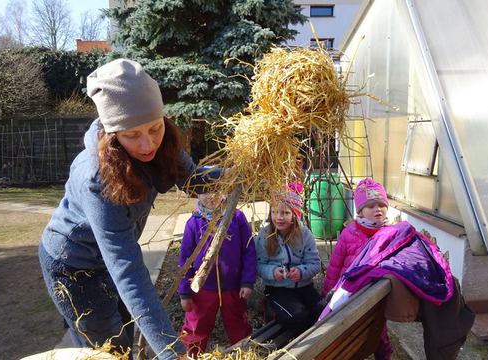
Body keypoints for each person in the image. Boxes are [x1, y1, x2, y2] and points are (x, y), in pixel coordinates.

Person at [38, 59, 217, 360]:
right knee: (109, 349)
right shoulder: (97, 178)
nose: (148, 144)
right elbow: (129, 273)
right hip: (74, 267)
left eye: (155, 128)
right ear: (113, 134)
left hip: (110, 259)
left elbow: (194, 180)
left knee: (127, 331)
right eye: (132, 135)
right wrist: (173, 353)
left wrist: (244, 170)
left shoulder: (164, 143)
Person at [321, 177, 393, 360]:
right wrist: (328, 292)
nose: (378, 209)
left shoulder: (391, 234)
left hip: (377, 296)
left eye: (381, 205)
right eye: (371, 206)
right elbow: (335, 266)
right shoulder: (349, 233)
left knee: (379, 333)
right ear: (360, 211)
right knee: (350, 333)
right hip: (351, 295)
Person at [178, 192, 256, 358]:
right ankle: (192, 354)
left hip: (233, 287)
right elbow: (185, 260)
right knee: (196, 326)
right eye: (204, 191)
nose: (210, 195)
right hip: (203, 288)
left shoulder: (236, 217)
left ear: (225, 190)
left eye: (216, 189)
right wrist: (184, 292)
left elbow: (249, 250)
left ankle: (244, 353)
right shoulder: (194, 223)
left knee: (238, 323)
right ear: (197, 194)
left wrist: (247, 281)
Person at [255, 184, 322, 337]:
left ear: (294, 215)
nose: (279, 217)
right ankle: (271, 309)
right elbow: (258, 265)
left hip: (304, 286)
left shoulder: (304, 234)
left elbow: (315, 264)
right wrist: (272, 272)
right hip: (278, 288)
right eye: (274, 212)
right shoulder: (265, 235)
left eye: (285, 213)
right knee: (297, 317)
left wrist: (301, 271)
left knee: (322, 312)